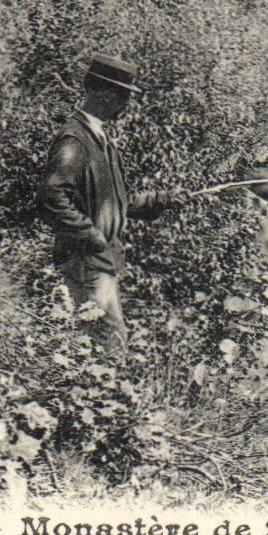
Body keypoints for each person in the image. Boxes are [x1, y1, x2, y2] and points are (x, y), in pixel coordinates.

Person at [36, 53, 183, 355]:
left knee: (99, 341)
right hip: (88, 260)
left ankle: (94, 396)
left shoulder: (99, 139)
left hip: (100, 259)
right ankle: (104, 397)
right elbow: (52, 196)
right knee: (109, 343)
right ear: (103, 95)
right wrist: (91, 236)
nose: (126, 106)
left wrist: (161, 200)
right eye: (124, 98)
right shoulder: (76, 141)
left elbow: (117, 202)